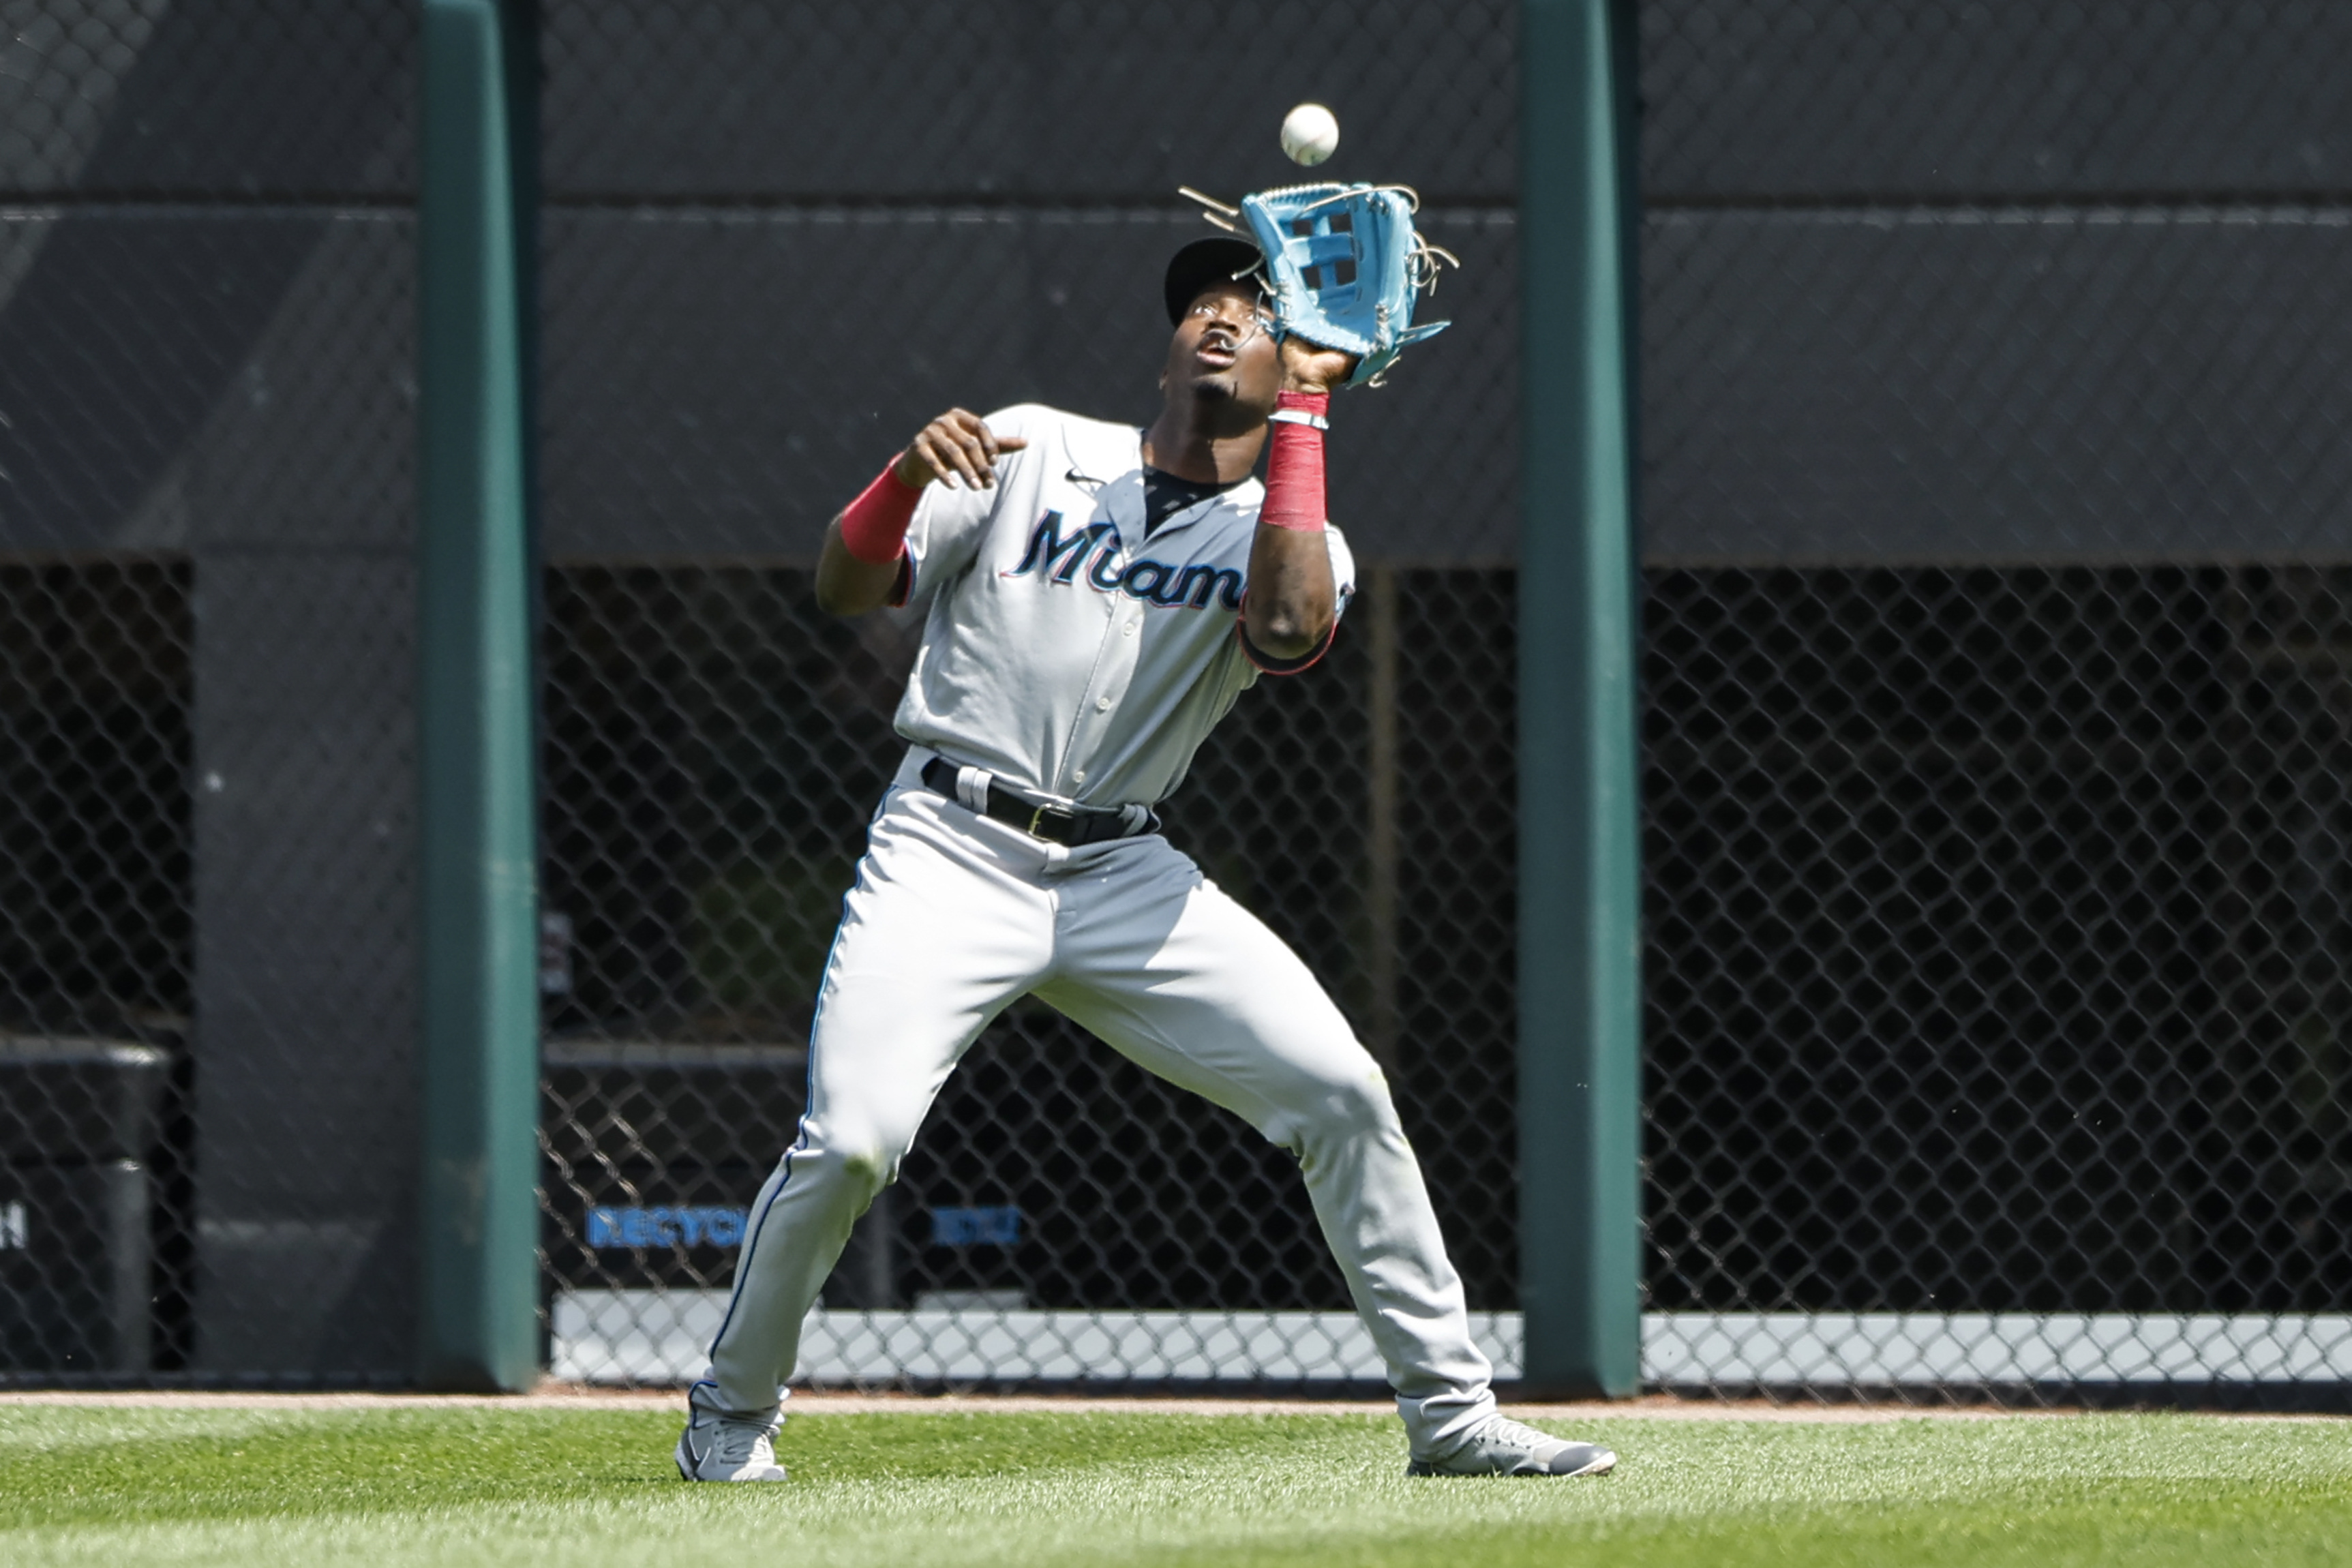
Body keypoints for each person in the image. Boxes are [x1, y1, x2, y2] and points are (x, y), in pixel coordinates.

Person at [674, 237, 1617, 1482]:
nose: (1219, 318)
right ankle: (730, 1419)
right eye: (1204, 304)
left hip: (1124, 872)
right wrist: (902, 478)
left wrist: (1308, 414)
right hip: (948, 845)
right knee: (852, 1140)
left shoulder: (1298, 533)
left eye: (1254, 310)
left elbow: (1283, 631)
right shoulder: (1031, 445)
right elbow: (849, 590)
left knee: (1342, 1094)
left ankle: (1450, 1420)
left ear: (1299, 363)